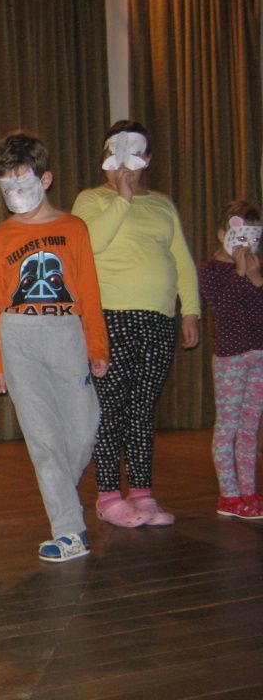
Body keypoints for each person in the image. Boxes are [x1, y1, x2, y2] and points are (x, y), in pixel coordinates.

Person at [0, 132, 108, 562]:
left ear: (46, 179)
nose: (15, 195)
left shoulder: (73, 228)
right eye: (6, 187)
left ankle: (61, 500)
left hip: (66, 333)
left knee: (84, 426)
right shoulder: (0, 236)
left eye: (23, 184)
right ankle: (69, 531)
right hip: (17, 335)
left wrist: (97, 345)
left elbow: (88, 290)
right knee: (43, 440)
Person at [72, 120, 200, 527]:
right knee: (111, 408)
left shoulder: (162, 204)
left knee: (143, 409)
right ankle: (109, 496)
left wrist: (190, 310)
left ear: (148, 158)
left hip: (158, 318)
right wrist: (122, 198)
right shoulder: (91, 200)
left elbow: (181, 260)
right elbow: (88, 244)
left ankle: (143, 494)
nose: (128, 162)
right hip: (110, 316)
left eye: (136, 153)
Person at [199, 200, 263, 520]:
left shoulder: (256, 267)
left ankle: (248, 491)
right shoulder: (210, 270)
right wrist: (239, 273)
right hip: (230, 358)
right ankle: (229, 495)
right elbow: (223, 307)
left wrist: (256, 276)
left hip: (258, 356)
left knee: (250, 427)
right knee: (228, 425)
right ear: (222, 234)